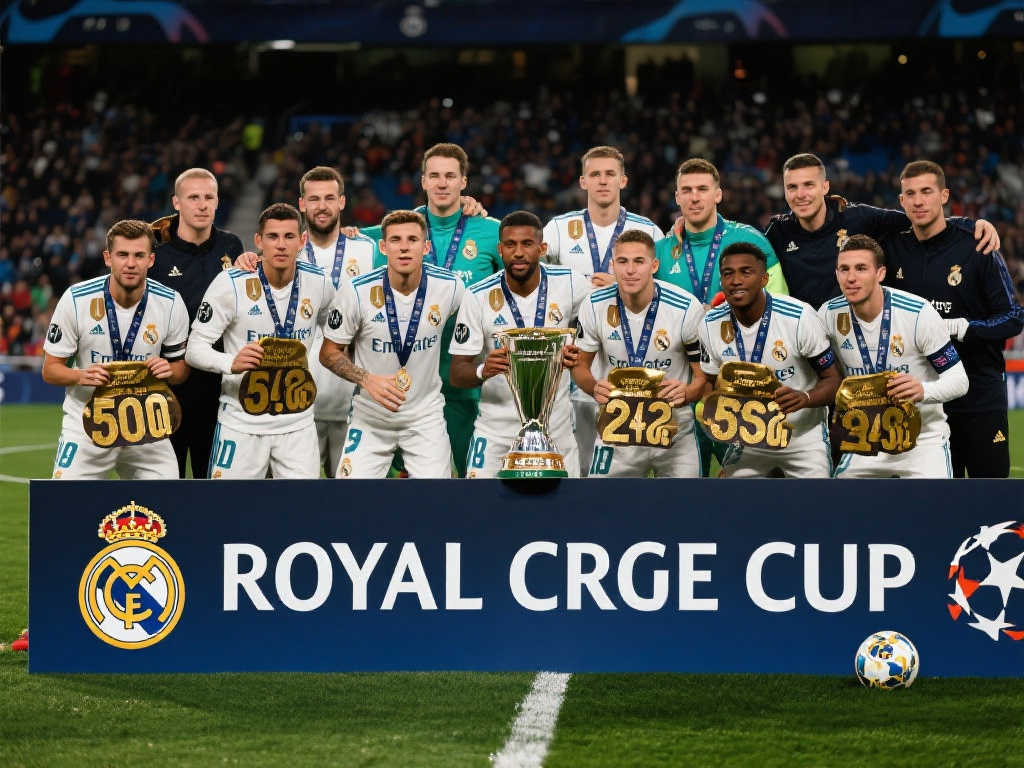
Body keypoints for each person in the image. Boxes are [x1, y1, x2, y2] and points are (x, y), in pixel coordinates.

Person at [358, 144, 501, 477]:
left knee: (474, 480)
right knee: (402, 488)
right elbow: (336, 240)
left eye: (450, 176)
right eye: (434, 175)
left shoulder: (491, 231)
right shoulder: (399, 232)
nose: (442, 183)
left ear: (464, 181)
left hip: (467, 383)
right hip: (406, 389)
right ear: (423, 181)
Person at [882, 160, 1024, 478]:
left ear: (944, 195)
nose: (919, 201)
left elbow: (1014, 317)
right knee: (936, 497)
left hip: (978, 393)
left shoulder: (978, 244)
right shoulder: (892, 248)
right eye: (910, 194)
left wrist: (966, 327)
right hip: (921, 398)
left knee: (989, 494)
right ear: (901, 200)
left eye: (927, 192)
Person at [185, 203, 334, 479]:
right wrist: (231, 362)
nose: (281, 245)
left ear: (302, 241)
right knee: (232, 504)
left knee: (304, 505)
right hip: (241, 424)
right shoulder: (231, 283)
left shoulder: (320, 283)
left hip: (297, 426)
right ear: (258, 240)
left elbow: (336, 337)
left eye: (289, 236)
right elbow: (194, 349)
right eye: (272, 236)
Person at [543, 145, 664, 476]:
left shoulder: (649, 231)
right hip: (573, 361)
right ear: (583, 182)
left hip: (629, 358)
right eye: (594, 174)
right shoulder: (558, 229)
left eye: (610, 174)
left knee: (633, 463)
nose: (602, 181)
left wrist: (621, 284)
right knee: (579, 464)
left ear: (623, 180)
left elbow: (661, 292)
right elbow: (535, 279)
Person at [319, 210, 465, 478]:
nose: (404, 247)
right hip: (370, 418)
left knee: (438, 497)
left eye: (413, 239)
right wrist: (365, 379)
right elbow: (328, 352)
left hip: (425, 418)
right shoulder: (357, 291)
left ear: (426, 247)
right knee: (349, 497)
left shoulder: (451, 287)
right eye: (396, 240)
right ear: (383, 247)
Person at [42, 220, 189, 479]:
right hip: (87, 422)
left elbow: (181, 370)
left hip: (146, 425)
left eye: (139, 255)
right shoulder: (77, 299)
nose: (130, 263)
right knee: (66, 498)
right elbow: (50, 370)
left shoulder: (171, 302)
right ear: (108, 258)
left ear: (151, 260)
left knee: (167, 497)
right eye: (122, 254)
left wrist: (169, 370)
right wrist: (80, 375)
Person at [449, 211, 591, 477]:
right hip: (496, 432)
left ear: (542, 248)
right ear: (499, 250)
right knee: (479, 502)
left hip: (556, 430)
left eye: (527, 244)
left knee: (567, 504)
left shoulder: (572, 284)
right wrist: (483, 370)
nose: (518, 253)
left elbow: (595, 334)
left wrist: (577, 353)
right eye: (510, 245)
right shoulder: (477, 296)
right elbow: (457, 374)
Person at [764, 153, 1000, 311]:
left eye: (808, 185)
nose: (801, 194)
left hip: (850, 341)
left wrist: (970, 225)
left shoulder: (857, 218)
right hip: (802, 343)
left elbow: (919, 218)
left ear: (825, 187)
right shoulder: (778, 231)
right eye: (792, 187)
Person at [819, 235, 968, 478]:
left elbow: (960, 381)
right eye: (844, 269)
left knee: (936, 502)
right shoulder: (828, 314)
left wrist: (923, 390)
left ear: (880, 273)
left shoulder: (918, 314)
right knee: (840, 500)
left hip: (922, 441)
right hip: (865, 441)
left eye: (861, 268)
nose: (851, 277)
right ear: (836, 274)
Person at [698, 243, 840, 477]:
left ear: (764, 279)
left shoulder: (799, 317)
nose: (736, 281)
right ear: (721, 281)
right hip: (748, 439)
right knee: (728, 495)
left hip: (803, 437)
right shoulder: (710, 324)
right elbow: (709, 383)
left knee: (816, 496)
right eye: (728, 274)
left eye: (746, 272)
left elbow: (833, 381)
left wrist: (804, 398)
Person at [573, 230, 706, 478]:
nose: (630, 270)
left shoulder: (686, 308)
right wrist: (593, 387)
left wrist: (688, 392)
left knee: (686, 502)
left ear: (654, 265)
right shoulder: (593, 305)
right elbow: (580, 365)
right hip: (616, 429)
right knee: (601, 501)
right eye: (622, 261)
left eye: (639, 261)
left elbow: (702, 377)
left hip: (673, 430)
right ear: (612, 265)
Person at [152, 168, 244, 478]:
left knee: (214, 483)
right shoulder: (157, 255)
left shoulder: (232, 246)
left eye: (209, 197)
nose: (202, 205)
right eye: (193, 197)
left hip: (218, 386)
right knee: (169, 482)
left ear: (217, 202)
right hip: (170, 386)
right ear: (176, 203)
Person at [296, 166, 377, 477]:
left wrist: (467, 204)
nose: (322, 206)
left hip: (354, 403)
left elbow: (409, 230)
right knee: (297, 495)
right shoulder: (288, 251)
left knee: (349, 495)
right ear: (302, 204)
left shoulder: (367, 248)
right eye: (314, 199)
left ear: (342, 202)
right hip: (300, 404)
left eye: (330, 198)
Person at [656, 158, 787, 305]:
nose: (694, 198)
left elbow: (780, 306)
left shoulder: (752, 241)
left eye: (702, 189)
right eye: (686, 190)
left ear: (718, 195)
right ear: (677, 198)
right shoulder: (659, 252)